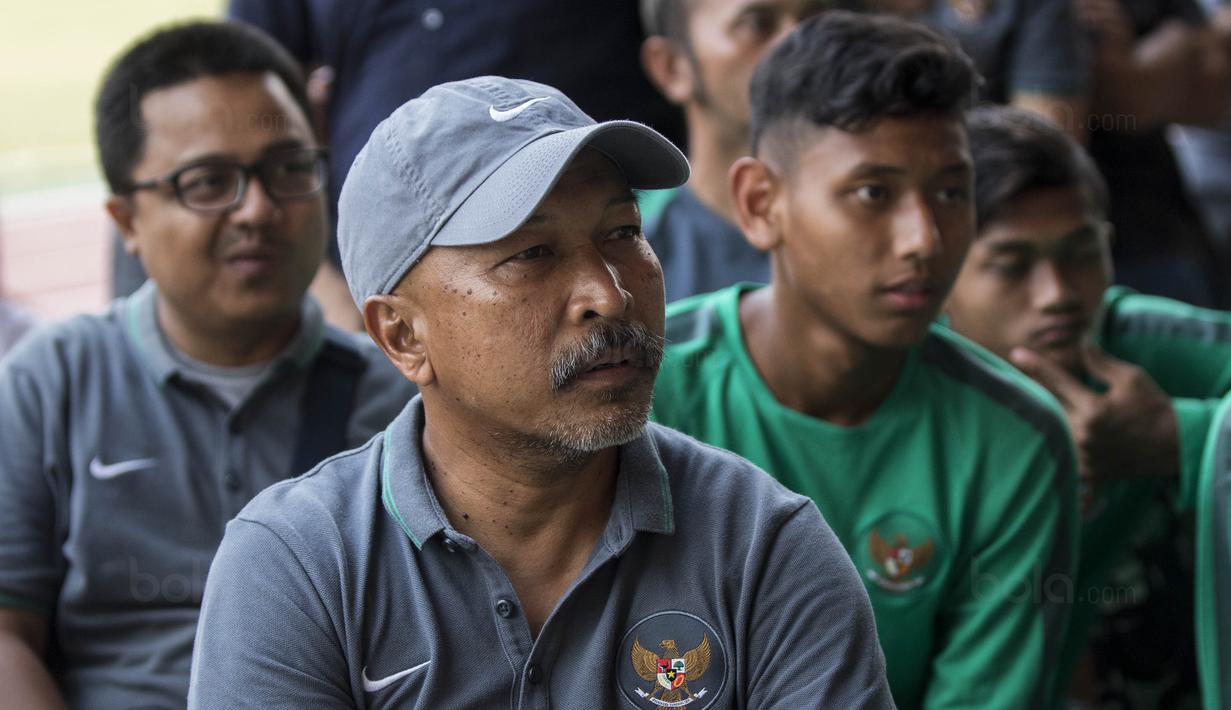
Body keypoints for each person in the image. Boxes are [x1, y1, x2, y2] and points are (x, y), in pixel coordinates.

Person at [187, 76, 895, 708]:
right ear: (402, 336)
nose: (607, 296)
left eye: (622, 232)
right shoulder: (299, 565)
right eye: (531, 253)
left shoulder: (762, 546)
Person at [651, 14, 1079, 708]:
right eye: (873, 193)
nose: (924, 239)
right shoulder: (644, 392)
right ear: (761, 204)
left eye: (951, 192)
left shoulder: (1016, 441)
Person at [0, 21, 414, 708]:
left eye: (287, 168)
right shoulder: (53, 383)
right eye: (209, 182)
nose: (257, 209)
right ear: (127, 220)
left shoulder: (401, 404)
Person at [943, 105, 1231, 706]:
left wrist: (1183, 436)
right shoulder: (900, 394)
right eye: (1011, 266)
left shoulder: (1151, 345)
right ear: (937, 275)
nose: (1058, 295)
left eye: (1081, 252)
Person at [638, 0, 857, 302]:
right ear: (672, 67)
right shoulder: (629, 247)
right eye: (757, 24)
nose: (801, 45)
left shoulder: (899, 218)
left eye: (816, 21)